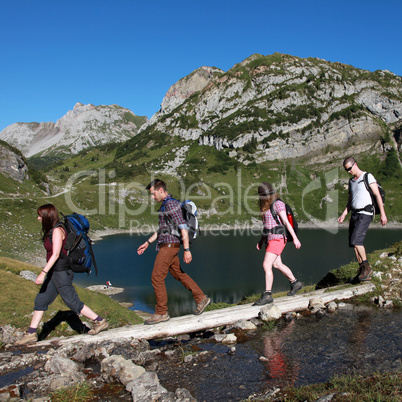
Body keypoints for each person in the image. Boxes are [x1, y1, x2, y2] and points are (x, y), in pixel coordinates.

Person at [15, 204, 108, 345]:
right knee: (41, 300)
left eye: (40, 215)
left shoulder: (57, 231)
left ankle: (99, 321)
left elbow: (56, 254)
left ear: (47, 216)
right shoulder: (52, 230)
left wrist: (42, 273)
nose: (38, 218)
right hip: (55, 272)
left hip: (61, 272)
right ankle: (31, 333)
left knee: (72, 301)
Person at [137, 179, 210, 325]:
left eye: (153, 194)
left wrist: (187, 250)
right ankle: (201, 298)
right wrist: (147, 243)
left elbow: (183, 226)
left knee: (156, 278)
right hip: (167, 245)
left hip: (169, 247)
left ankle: (161, 312)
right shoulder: (165, 205)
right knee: (179, 274)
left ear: (161, 190)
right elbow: (162, 229)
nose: (152, 197)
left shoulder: (171, 204)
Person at [338, 156, 387, 281]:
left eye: (349, 168)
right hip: (354, 214)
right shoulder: (351, 181)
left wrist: (383, 213)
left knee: (357, 240)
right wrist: (344, 214)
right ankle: (362, 271)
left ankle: (366, 266)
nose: (348, 171)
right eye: (346, 170)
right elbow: (350, 201)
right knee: (353, 244)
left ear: (355, 164)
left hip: (365, 213)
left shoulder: (367, 176)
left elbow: (377, 195)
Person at [253, 182, 303, 305]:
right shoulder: (265, 206)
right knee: (277, 264)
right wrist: (261, 240)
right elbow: (266, 227)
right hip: (270, 238)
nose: (261, 198)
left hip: (278, 238)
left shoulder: (278, 204)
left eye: (262, 195)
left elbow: (286, 222)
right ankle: (295, 283)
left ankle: (268, 294)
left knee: (266, 265)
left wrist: (295, 238)